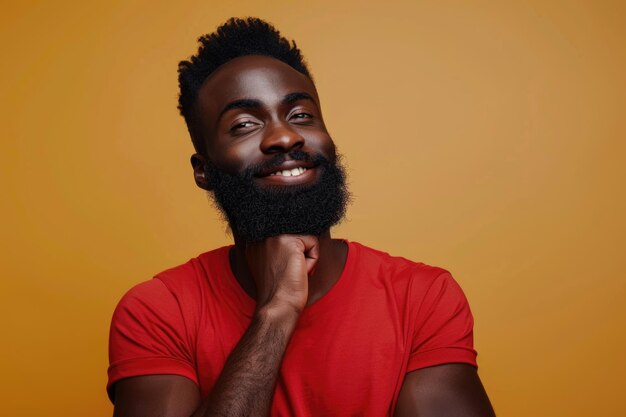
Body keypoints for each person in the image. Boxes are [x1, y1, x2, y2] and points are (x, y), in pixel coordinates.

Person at [107, 17, 496, 417]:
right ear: (203, 169)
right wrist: (277, 311)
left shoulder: (421, 297)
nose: (285, 137)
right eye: (244, 124)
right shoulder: (157, 311)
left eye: (300, 116)